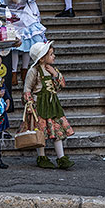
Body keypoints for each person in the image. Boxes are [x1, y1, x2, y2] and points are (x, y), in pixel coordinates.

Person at [23, 41, 75, 169]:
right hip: (39, 105)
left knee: (57, 130)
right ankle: (42, 157)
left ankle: (61, 157)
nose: (54, 56)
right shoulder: (33, 71)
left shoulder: (53, 70)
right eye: (51, 54)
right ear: (41, 58)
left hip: (52, 104)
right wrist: (29, 103)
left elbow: (61, 85)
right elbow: (27, 88)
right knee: (40, 132)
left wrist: (55, 74)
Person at [0, 0, 47, 85]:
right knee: (15, 45)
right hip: (13, 15)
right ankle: (13, 72)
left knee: (28, 44)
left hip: (27, 14)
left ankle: (25, 70)